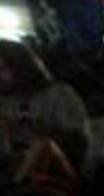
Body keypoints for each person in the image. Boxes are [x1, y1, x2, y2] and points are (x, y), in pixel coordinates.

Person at [0, 40, 91, 176]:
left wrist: (39, 139)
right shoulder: (5, 101)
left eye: (2, 69)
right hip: (12, 164)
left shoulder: (59, 94)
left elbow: (77, 138)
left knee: (41, 145)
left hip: (54, 169)